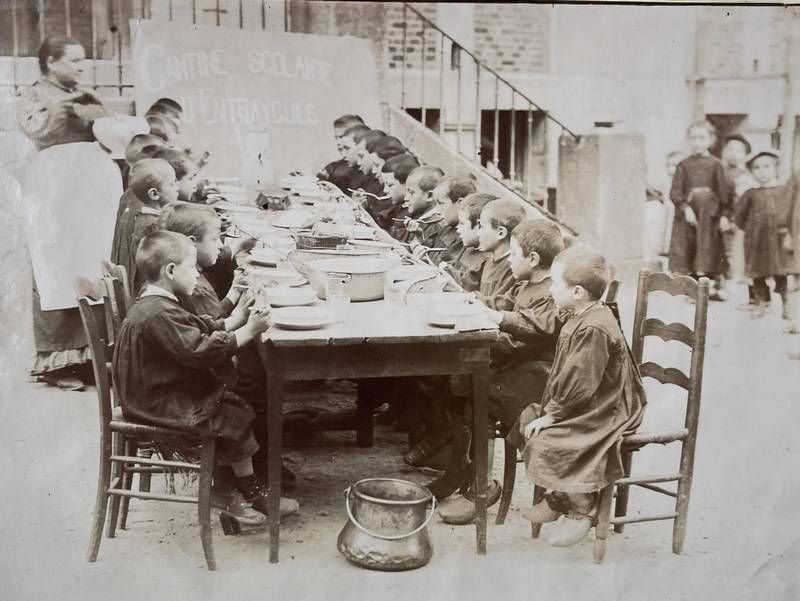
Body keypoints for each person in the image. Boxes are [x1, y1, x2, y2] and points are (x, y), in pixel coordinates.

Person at [112, 230, 299, 523]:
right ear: (171, 271)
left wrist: (240, 315)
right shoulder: (157, 314)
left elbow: (199, 327)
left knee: (232, 404)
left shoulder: (158, 304)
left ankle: (229, 491)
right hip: (154, 402)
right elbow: (198, 350)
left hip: (154, 391)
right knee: (231, 412)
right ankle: (248, 493)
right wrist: (250, 331)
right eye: (192, 268)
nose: (198, 276)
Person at [434, 220, 565, 523]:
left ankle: (482, 485)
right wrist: (477, 301)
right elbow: (504, 303)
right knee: (463, 384)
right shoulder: (526, 283)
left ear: (532, 259)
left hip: (541, 377)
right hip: (521, 368)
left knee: (478, 389)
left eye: (514, 253)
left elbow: (528, 333)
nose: (510, 260)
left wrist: (494, 322)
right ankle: (468, 472)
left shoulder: (552, 293)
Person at [517, 246, 646, 547]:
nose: (549, 288)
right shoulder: (581, 313)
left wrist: (555, 414)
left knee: (548, 436)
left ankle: (582, 507)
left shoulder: (594, 328)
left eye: (555, 283)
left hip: (609, 406)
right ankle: (559, 496)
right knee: (528, 417)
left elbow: (581, 383)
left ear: (577, 292)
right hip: (591, 398)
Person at [17, 36, 110, 390]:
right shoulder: (34, 96)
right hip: (54, 191)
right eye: (73, 61)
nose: (80, 68)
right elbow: (38, 131)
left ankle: (89, 355)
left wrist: (92, 109)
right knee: (55, 268)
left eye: (83, 61)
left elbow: (105, 130)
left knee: (90, 263)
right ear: (51, 62)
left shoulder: (83, 92)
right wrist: (66, 107)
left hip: (88, 191)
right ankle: (57, 362)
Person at [669, 121, 730, 299]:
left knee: (707, 247)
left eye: (701, 138)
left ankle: (709, 287)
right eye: (693, 138)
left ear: (711, 140)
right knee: (687, 246)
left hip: (708, 215)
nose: (697, 142)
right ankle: (691, 289)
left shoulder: (716, 164)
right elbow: (675, 191)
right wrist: (685, 208)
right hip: (687, 214)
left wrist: (724, 215)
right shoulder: (684, 165)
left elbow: (724, 192)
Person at [735, 150, 793, 319]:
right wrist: (751, 230)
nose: (762, 171)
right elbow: (740, 216)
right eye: (757, 167)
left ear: (775, 168)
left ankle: (786, 302)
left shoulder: (784, 191)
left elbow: (790, 213)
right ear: (751, 172)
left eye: (767, 166)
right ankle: (761, 302)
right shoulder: (749, 194)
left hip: (777, 239)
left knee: (780, 271)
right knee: (757, 272)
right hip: (756, 241)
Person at [111, 159, 180, 294]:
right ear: (154, 194)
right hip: (151, 292)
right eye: (172, 184)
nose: (178, 187)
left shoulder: (142, 217)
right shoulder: (154, 227)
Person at [721, 134, 756, 305]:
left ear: (745, 155)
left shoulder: (747, 176)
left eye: (739, 150)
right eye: (730, 148)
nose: (734, 153)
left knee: (737, 256)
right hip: (720, 219)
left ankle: (745, 294)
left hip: (739, 222)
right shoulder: (719, 171)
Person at [413, 176, 477, 264]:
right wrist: (419, 238)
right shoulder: (445, 227)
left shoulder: (466, 239)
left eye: (441, 203)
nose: (437, 211)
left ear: (461, 203)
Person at [440, 193, 496, 292]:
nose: (457, 229)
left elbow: (466, 287)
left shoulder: (486, 260)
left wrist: (444, 269)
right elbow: (452, 265)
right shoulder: (467, 247)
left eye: (462, 223)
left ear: (480, 225)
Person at [475, 198, 527, 302]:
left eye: (482, 227)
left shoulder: (511, 268)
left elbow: (494, 304)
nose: (478, 233)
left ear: (501, 233)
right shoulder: (489, 260)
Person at [402, 166, 446, 248]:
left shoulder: (437, 226)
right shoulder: (419, 216)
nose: (406, 198)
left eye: (411, 193)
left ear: (429, 195)